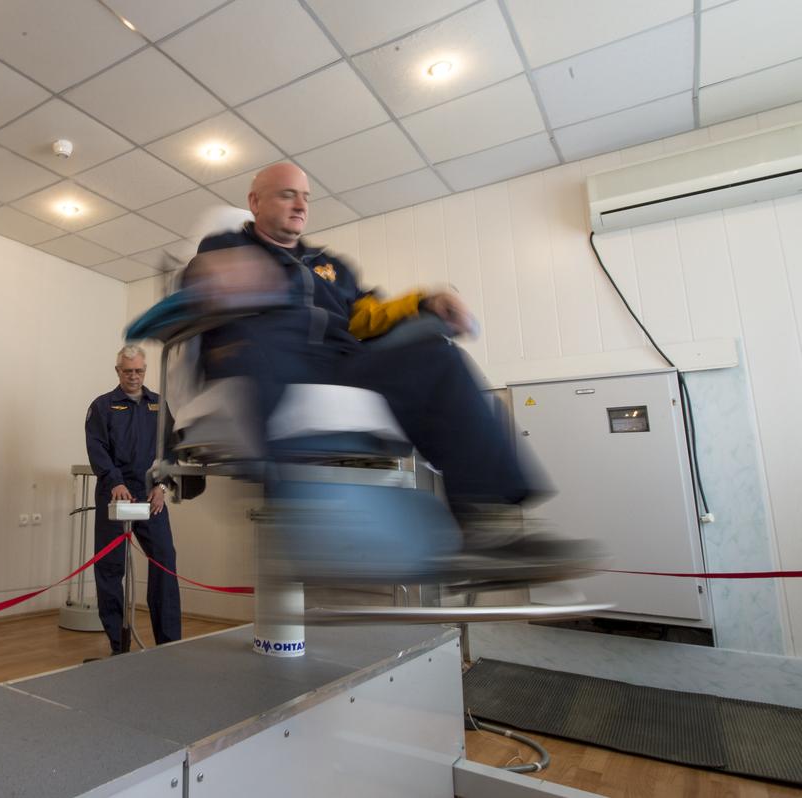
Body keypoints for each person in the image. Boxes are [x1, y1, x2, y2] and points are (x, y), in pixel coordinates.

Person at [187, 163, 578, 560]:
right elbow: (199, 283)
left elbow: (368, 316)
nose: (301, 205)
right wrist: (222, 280)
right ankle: (282, 492)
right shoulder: (225, 246)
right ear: (255, 202)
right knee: (260, 333)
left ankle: (487, 520)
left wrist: (425, 302)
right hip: (267, 359)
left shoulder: (330, 265)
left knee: (438, 358)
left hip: (340, 365)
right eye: (288, 194)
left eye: (306, 197)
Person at [84, 346, 181, 653]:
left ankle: (168, 644)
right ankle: (118, 645)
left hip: (150, 496)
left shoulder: (158, 405)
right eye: (128, 371)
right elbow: (97, 448)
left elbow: (171, 450)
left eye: (139, 371)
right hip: (115, 495)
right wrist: (114, 482)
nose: (134, 377)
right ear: (118, 372)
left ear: (145, 371)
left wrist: (161, 487)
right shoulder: (103, 406)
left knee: (164, 561)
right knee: (111, 569)